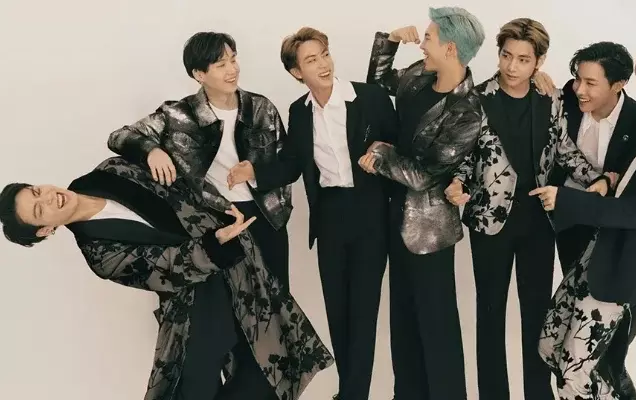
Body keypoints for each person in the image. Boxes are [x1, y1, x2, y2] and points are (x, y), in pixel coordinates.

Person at [0, 157, 334, 400]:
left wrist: (152, 151)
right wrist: (215, 242)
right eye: (40, 210)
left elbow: (180, 179)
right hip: (196, 306)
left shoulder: (108, 172)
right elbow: (167, 267)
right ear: (45, 230)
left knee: (267, 375)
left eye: (36, 191)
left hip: (241, 272)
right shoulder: (100, 254)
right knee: (196, 388)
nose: (48, 197)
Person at [227, 27, 397, 400]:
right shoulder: (299, 112)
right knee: (337, 310)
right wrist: (254, 171)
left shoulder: (369, 97)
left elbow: (398, 144)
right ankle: (348, 391)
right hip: (330, 216)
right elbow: (292, 163)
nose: (323, 64)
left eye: (324, 54)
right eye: (311, 60)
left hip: (370, 213)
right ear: (296, 72)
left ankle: (353, 395)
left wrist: (382, 154)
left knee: (362, 311)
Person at [443, 18, 609, 400]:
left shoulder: (549, 99)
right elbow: (465, 155)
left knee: (537, 318)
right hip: (490, 222)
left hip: (537, 221)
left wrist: (602, 179)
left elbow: (565, 151)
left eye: (523, 59)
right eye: (506, 56)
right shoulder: (475, 98)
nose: (512, 66)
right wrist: (457, 183)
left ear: (539, 61)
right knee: (490, 315)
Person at [531, 42, 636, 400]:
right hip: (598, 255)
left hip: (622, 271)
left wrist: (570, 200)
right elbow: (634, 185)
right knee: (549, 346)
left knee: (575, 376)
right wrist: (609, 182)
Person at [360, 7, 485, 400]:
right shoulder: (418, 76)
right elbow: (379, 86)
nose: (422, 44)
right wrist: (389, 42)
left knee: (437, 327)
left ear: (451, 49)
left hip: (429, 231)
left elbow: (423, 176)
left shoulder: (467, 111)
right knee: (403, 325)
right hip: (394, 218)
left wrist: (380, 154)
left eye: (428, 38)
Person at [107, 31, 292, 290]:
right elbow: (119, 137)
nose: (232, 70)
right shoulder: (178, 115)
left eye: (233, 59)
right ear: (199, 74)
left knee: (278, 298)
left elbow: (288, 165)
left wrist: (255, 172)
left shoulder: (261, 109)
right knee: (231, 302)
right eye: (221, 64)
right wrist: (152, 150)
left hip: (266, 216)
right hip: (216, 219)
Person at [546, 42, 636, 274]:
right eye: (578, 79)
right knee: (568, 283)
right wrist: (537, 77)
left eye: (590, 83)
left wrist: (608, 182)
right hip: (563, 215)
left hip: (607, 223)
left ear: (618, 85)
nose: (580, 90)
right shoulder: (567, 99)